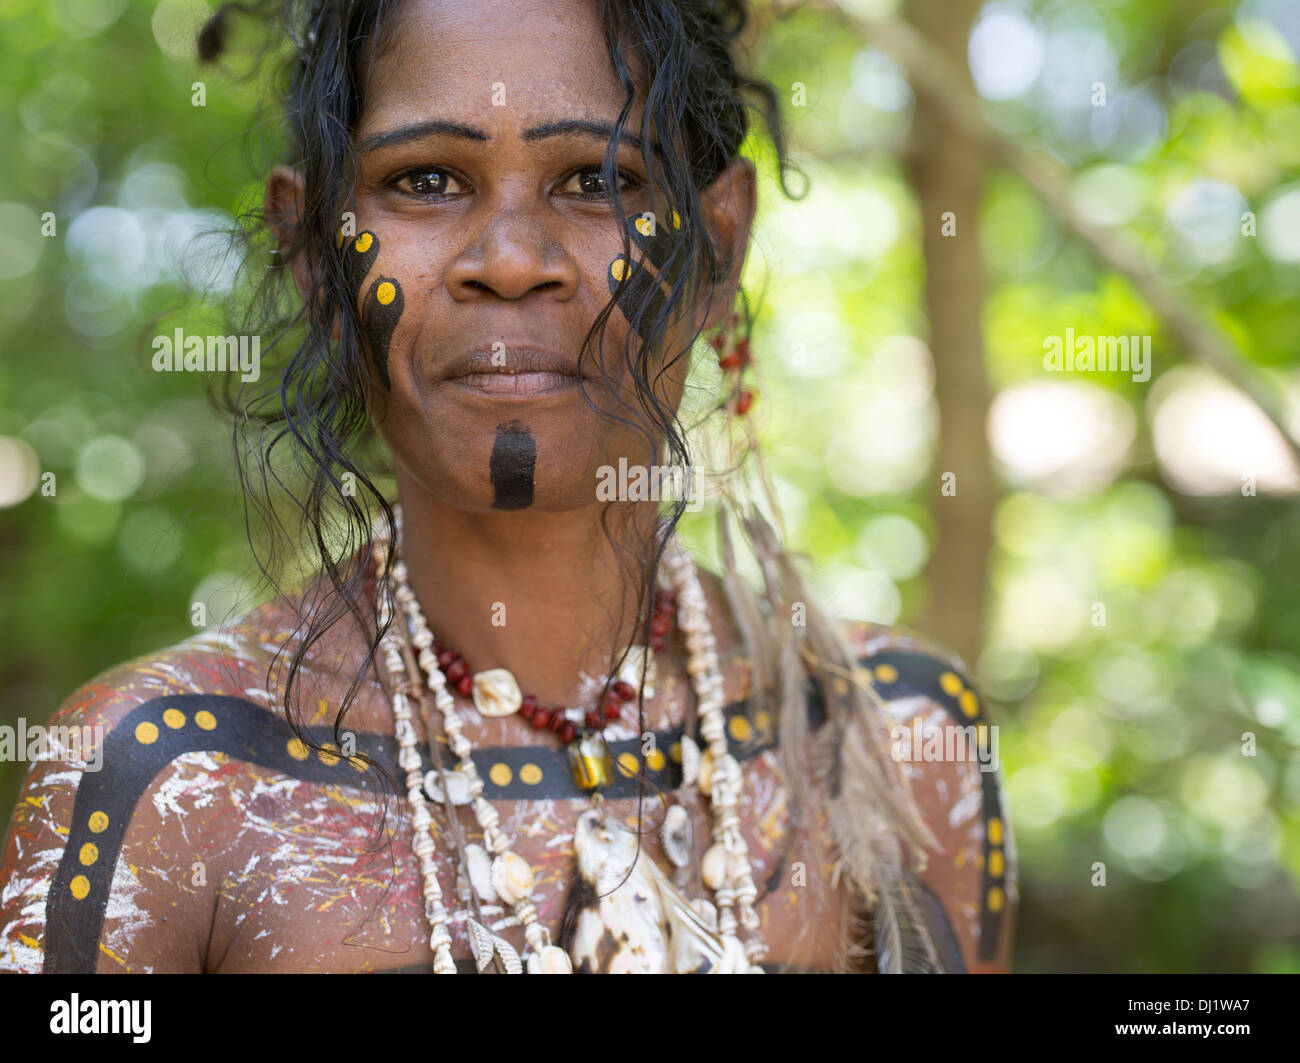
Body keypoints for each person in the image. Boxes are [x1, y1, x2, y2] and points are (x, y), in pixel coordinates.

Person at [0, 0, 1016, 974]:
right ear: (313, 253)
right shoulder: (169, 776)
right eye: (429, 180)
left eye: (595, 179)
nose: (513, 261)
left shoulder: (895, 739)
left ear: (716, 245)